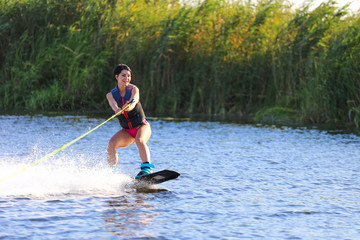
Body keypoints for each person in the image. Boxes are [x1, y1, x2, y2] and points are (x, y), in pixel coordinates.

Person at [106, 64, 154, 177]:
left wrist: (129, 106)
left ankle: (146, 169)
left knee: (140, 139)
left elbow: (135, 100)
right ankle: (112, 173)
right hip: (127, 131)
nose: (126, 78)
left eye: (129, 76)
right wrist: (117, 109)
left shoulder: (133, 89)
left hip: (142, 126)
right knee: (111, 143)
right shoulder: (110, 95)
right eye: (123, 75)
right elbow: (113, 105)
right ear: (116, 77)